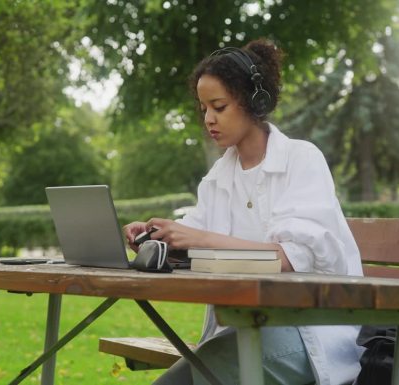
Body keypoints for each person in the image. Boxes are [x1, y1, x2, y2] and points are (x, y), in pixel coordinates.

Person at [123, 39, 364, 385]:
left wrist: (200, 238)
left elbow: (290, 258)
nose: (208, 119)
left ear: (255, 101)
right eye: (204, 108)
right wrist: (160, 237)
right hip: (247, 326)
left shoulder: (301, 159)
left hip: (309, 333)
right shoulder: (219, 176)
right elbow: (193, 236)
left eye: (218, 107)